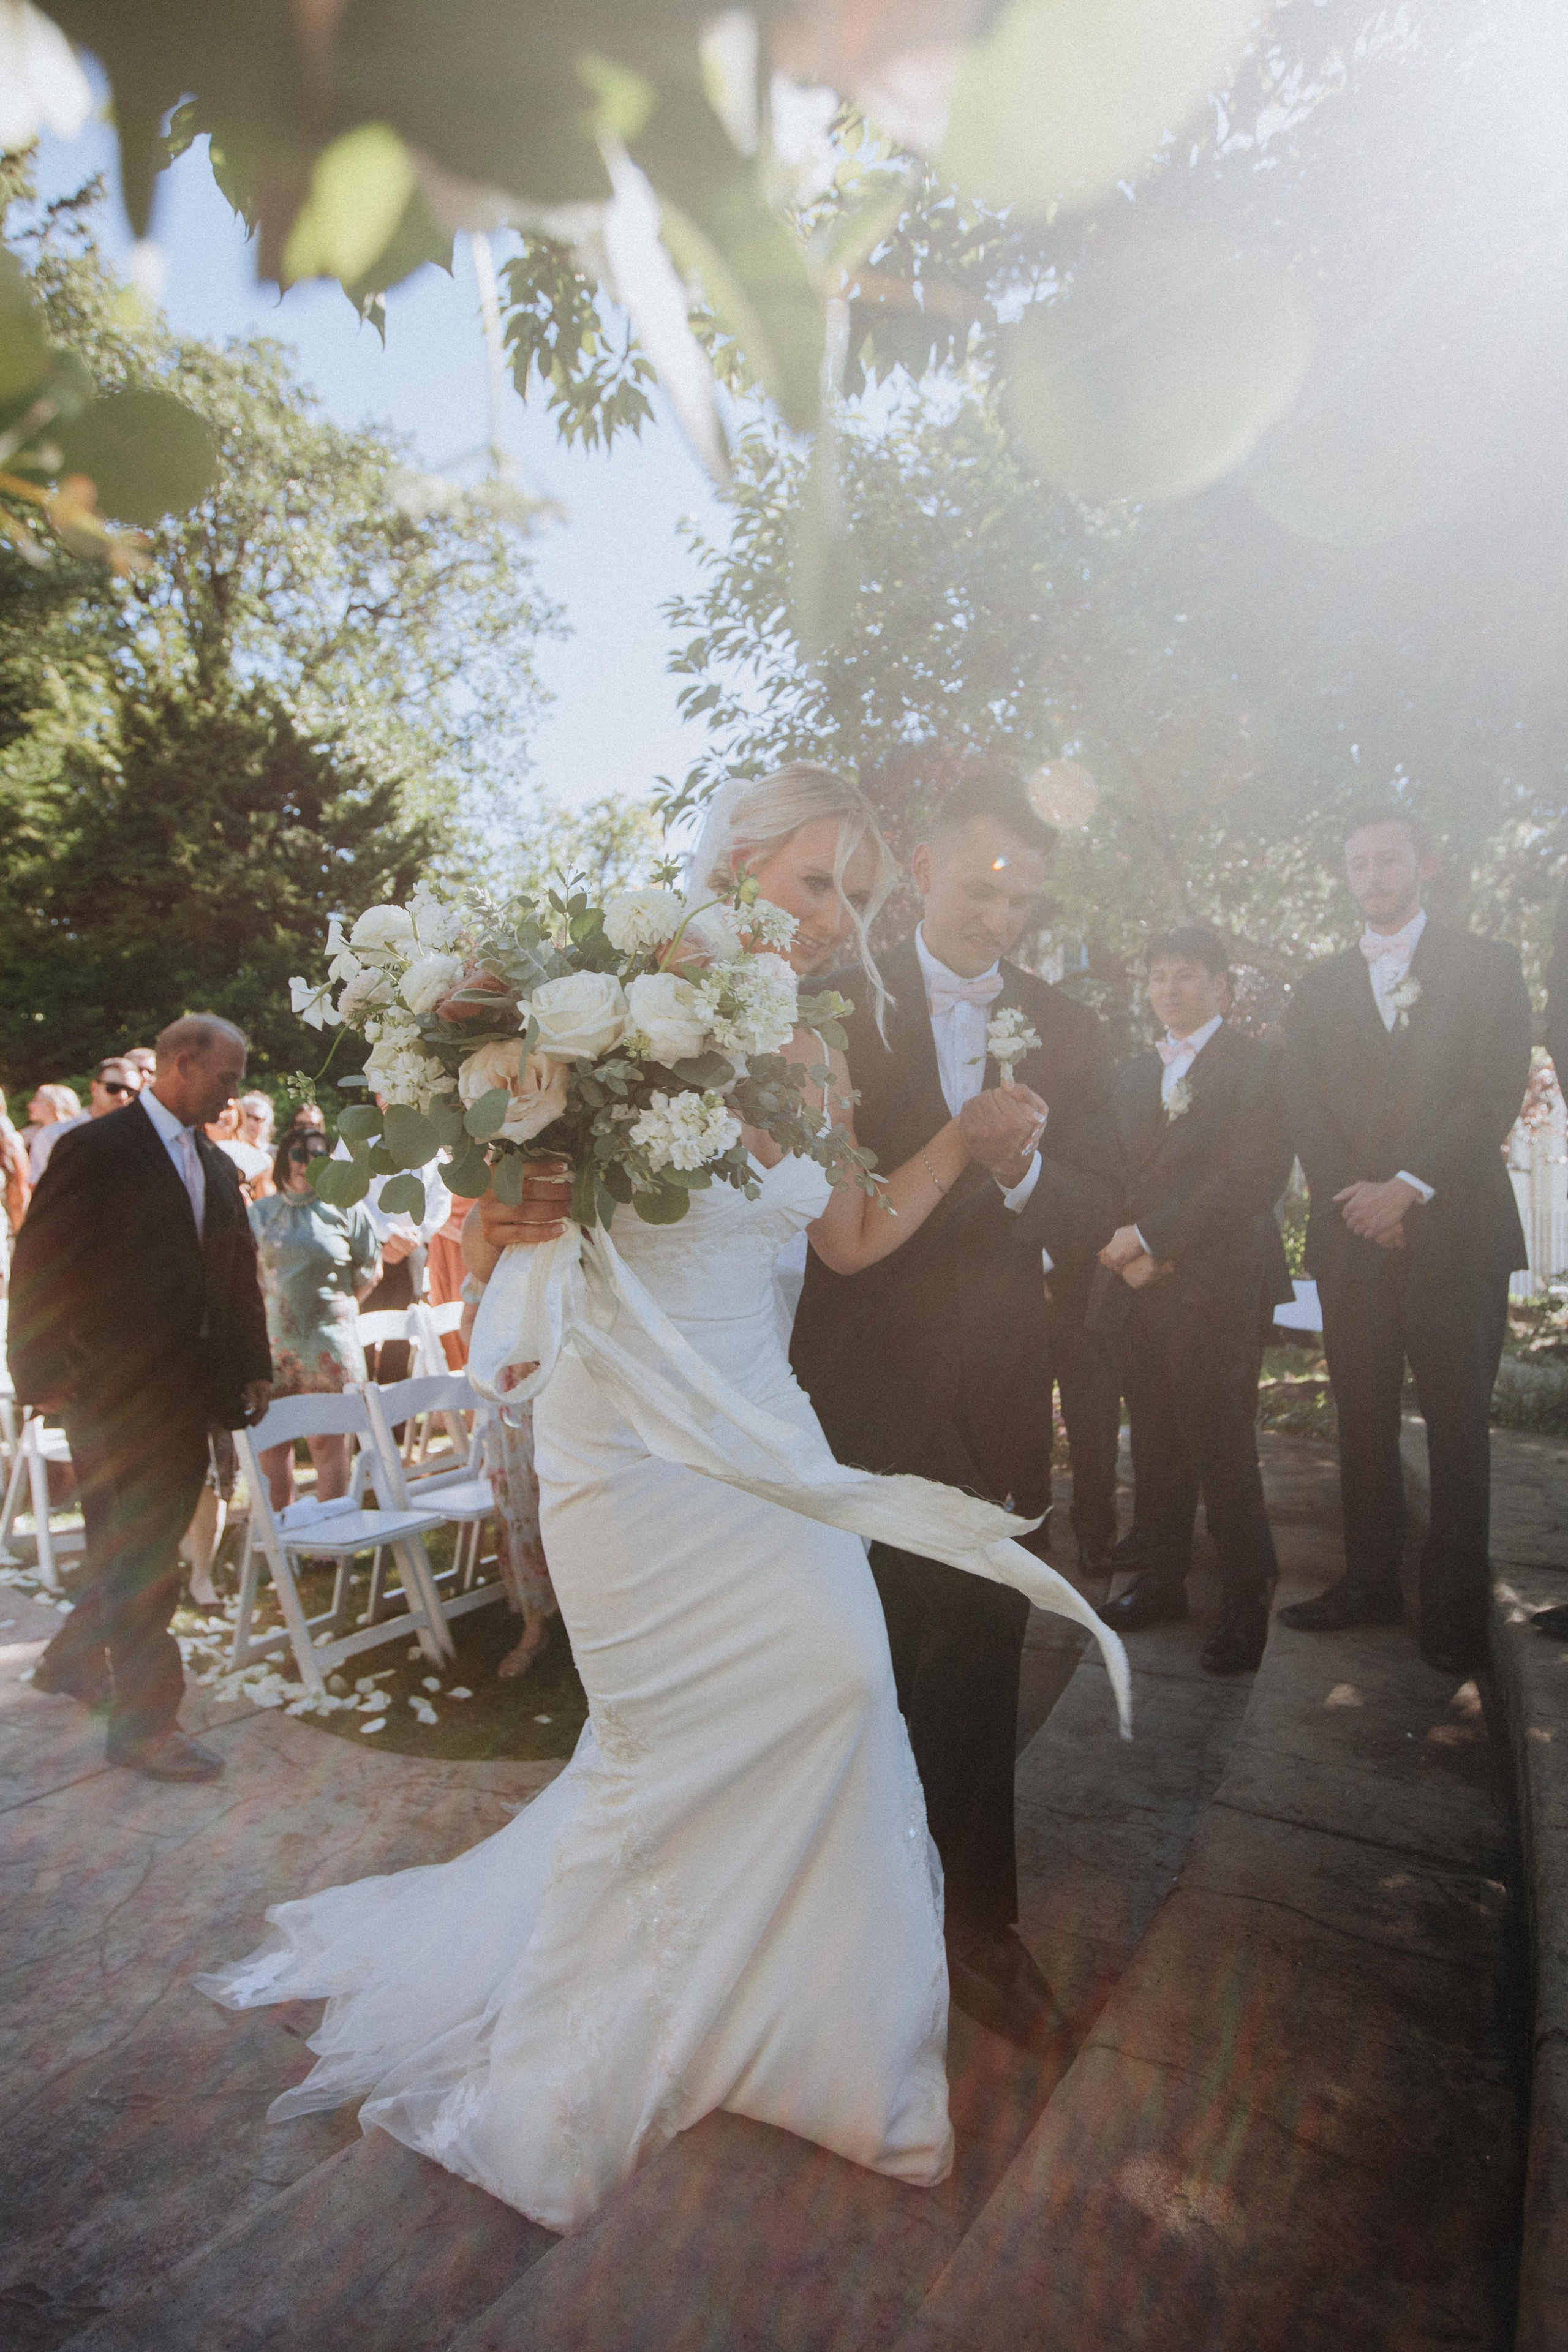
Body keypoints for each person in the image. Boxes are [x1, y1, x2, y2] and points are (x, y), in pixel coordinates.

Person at [198, 785, 1126, 2230]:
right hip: (629, 1442)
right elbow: (499, 1212)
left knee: (836, 1686)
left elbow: (858, 1238)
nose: (838, 924)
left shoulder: (813, 1047)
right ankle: (588, 2055)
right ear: (735, 865)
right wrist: (510, 1197)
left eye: (857, 901)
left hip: (765, 1430)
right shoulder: (600, 1017)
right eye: (818, 885)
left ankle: (804, 2043)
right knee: (675, 1736)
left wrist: (970, 1135)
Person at [791, 759, 1120, 2049]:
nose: (1002, 918)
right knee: (851, 1641)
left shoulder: (1070, 1029)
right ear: (923, 868)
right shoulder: (825, 1002)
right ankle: (842, 1908)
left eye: (1025, 902)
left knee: (982, 1643)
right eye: (985, 886)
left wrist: (1030, 1161)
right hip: (846, 1375)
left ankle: (976, 1927)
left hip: (993, 1378)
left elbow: (1099, 1211)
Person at [1278, 806, 1532, 1674]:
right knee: (1362, 1419)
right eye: (1360, 863)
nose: (1375, 875)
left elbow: (1491, 1090)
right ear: (1346, 877)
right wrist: (1361, 1201)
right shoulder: (1314, 987)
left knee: (1459, 1427)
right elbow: (1302, 1103)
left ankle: (1455, 1611)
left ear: (1425, 863)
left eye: (1390, 859)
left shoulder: (1489, 966)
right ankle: (1369, 1583)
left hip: (1458, 1234)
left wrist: (1408, 1189)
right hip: (1353, 1240)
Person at [7, 1016, 271, 1783]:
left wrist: (251, 1365)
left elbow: (236, 1274)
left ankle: (70, 1661)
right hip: (112, 1395)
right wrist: (40, 1376)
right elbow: (39, 1266)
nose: (234, 1093)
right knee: (146, 1561)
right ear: (180, 1065)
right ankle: (146, 1729)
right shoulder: (96, 1150)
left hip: (191, 1393)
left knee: (134, 1549)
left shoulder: (217, 1165)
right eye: (226, 1076)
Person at [1093, 927, 1293, 1675]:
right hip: (1139, 1284)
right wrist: (1124, 1254)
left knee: (1221, 1440)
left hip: (1217, 1281)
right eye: (1158, 976)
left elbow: (1251, 1176)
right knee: (1152, 1438)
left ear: (1222, 985)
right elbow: (1111, 1170)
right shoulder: (1130, 1073)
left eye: (1185, 975)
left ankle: (1247, 1595)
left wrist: (1150, 1237)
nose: (1168, 989)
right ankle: (1162, 1582)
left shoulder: (1259, 1065)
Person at [249, 1128, 381, 1511]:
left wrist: (339, 1308)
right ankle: (284, 1536)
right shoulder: (259, 1213)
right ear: (283, 1160)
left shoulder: (347, 1210)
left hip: (329, 1341)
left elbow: (370, 1271)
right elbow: (248, 1275)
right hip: (275, 1341)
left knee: (328, 1441)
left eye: (319, 1157)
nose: (308, 1164)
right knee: (272, 1442)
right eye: (299, 1155)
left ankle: (332, 1541)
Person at [29, 1058, 140, 1182]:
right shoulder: (54, 1135)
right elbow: (38, 1189)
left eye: (131, 1092)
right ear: (94, 1088)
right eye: (113, 1088)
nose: (122, 1096)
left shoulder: (138, 1140)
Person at [21, 1084, 80, 1176]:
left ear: (52, 1105)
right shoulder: (27, 1135)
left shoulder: (75, 1135)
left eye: (36, 1101)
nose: (29, 1106)